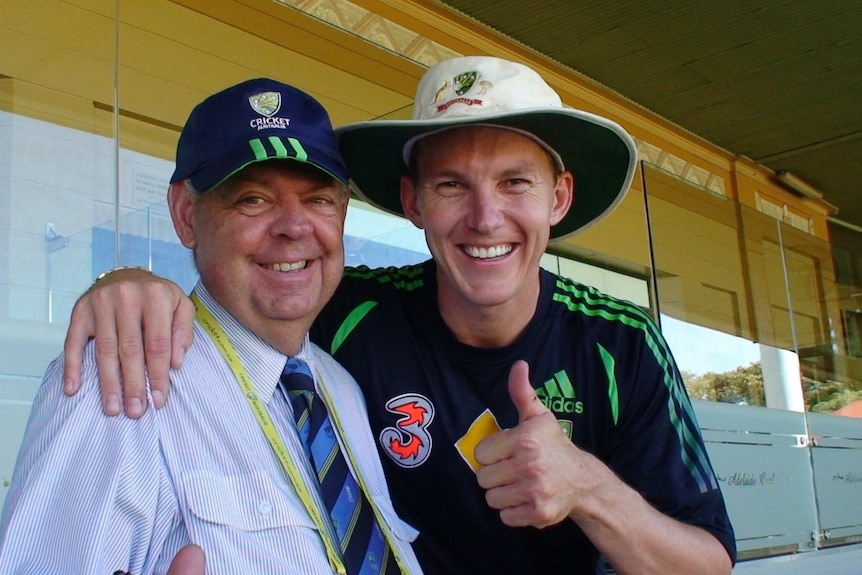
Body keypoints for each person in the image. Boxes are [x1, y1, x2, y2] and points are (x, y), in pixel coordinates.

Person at [61, 56, 736, 574]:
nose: (485, 217)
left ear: (558, 197)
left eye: (515, 182)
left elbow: (709, 560)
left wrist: (589, 488)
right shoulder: (351, 315)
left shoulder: (619, 343)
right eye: (451, 185)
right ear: (412, 202)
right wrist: (130, 285)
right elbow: (255, 288)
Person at [0, 78, 422, 575]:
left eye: (318, 200)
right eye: (253, 199)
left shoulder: (341, 390)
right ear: (186, 215)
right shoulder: (123, 377)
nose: (295, 226)